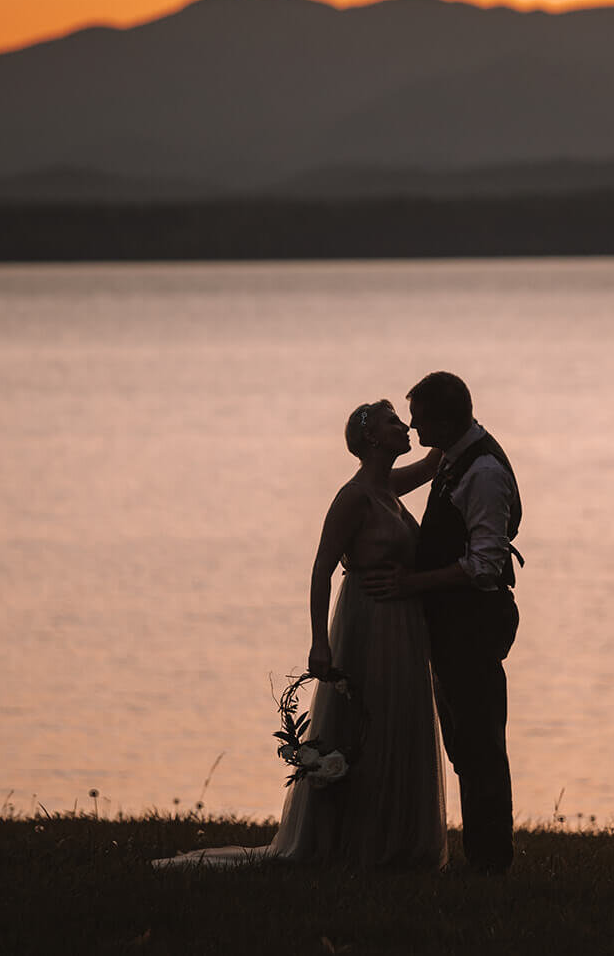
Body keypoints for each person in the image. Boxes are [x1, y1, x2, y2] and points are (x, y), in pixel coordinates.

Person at [153, 400, 447, 870]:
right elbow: (321, 569)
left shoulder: (389, 488)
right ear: (372, 438)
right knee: (367, 727)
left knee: (399, 724)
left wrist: (457, 421)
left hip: (404, 625)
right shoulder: (354, 497)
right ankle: (349, 843)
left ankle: (397, 841)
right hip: (368, 624)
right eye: (395, 422)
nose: (406, 426)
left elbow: (436, 462)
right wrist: (319, 642)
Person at [363, 372, 522, 874]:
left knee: (480, 747)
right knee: (462, 743)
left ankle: (490, 864)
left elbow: (484, 566)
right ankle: (483, 858)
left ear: (447, 420)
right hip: (450, 627)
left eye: (421, 418)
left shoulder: (484, 473)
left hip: (474, 626)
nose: (412, 425)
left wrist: (412, 583)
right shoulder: (452, 456)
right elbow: (383, 486)